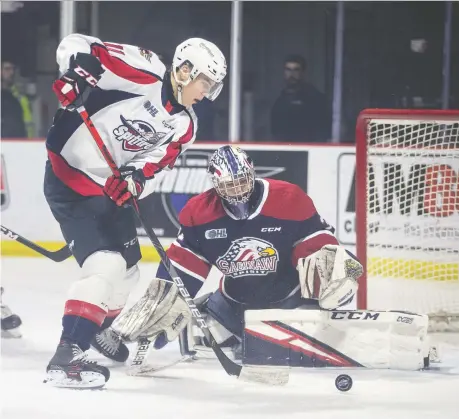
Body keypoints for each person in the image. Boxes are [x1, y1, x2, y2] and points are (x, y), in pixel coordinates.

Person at [43, 33, 227, 389]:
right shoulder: (143, 70)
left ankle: (97, 327)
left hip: (106, 189)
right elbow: (78, 44)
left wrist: (134, 182)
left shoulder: (185, 126)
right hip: (70, 178)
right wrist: (74, 76)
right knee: (107, 264)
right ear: (185, 70)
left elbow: (153, 168)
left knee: (128, 269)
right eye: (205, 82)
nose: (205, 93)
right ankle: (68, 354)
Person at [111, 145, 362, 359]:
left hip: (288, 302)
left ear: (251, 174)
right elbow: (184, 265)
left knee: (330, 275)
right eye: (229, 185)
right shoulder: (199, 213)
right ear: (215, 185)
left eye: (242, 181)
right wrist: (162, 298)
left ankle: (306, 324)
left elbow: (317, 242)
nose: (238, 191)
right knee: (217, 338)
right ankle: (216, 312)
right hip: (234, 303)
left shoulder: (288, 198)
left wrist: (333, 266)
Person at [270, 55, 330, 143]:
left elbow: (322, 130)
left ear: (303, 72)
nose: (291, 74)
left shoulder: (314, 98)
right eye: (288, 70)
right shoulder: (280, 100)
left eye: (296, 70)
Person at [1, 60, 27, 138]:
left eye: (13, 69)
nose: (11, 73)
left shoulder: (17, 96)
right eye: (7, 69)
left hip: (18, 143)